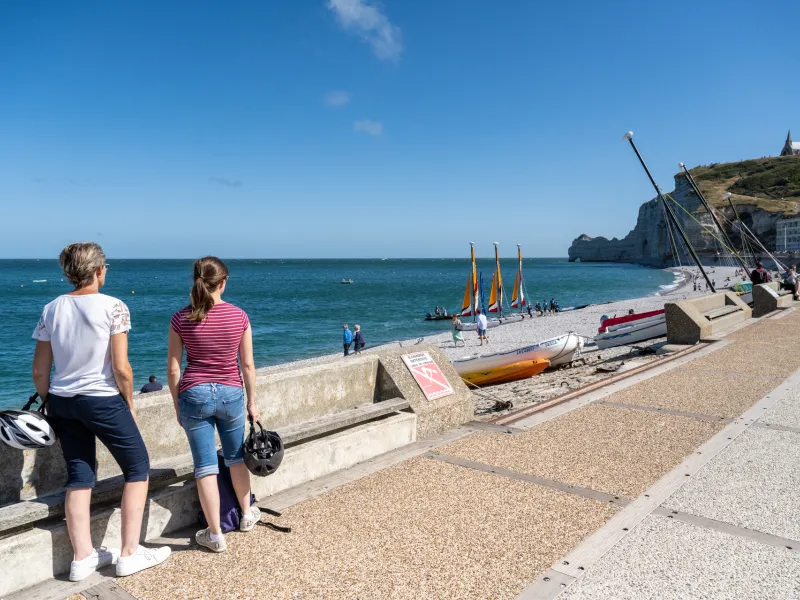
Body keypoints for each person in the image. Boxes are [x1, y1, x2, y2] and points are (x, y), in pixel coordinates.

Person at [32, 242, 170, 580]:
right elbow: (121, 368)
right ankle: (130, 553)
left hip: (63, 400)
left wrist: (48, 398)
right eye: (104, 267)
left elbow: (40, 370)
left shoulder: (51, 308)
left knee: (79, 475)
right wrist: (130, 403)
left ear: (68, 273)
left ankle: (82, 558)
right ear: (98, 271)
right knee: (137, 468)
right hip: (102, 399)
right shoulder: (114, 307)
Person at [167, 257, 261, 554]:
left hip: (194, 395)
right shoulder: (239, 316)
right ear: (223, 282)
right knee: (236, 458)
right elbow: (247, 364)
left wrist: (176, 403)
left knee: (205, 466)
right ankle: (246, 515)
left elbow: (173, 369)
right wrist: (252, 402)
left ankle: (216, 534)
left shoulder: (181, 318)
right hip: (231, 393)